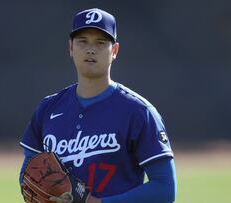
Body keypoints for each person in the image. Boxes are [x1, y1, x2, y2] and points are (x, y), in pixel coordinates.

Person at [19, 8, 177, 203]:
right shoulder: (48, 108)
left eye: (100, 43)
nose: (90, 49)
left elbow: (164, 188)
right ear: (70, 47)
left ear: (115, 51)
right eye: (82, 41)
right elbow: (28, 175)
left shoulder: (139, 112)